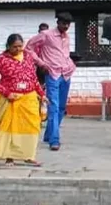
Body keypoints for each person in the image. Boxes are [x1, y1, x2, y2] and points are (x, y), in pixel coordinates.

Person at [0, 34, 46, 167]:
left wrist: (42, 94)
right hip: (10, 99)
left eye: (20, 46)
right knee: (10, 128)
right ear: (8, 46)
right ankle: (9, 157)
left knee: (32, 126)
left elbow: (33, 78)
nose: (18, 49)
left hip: (29, 97)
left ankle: (29, 156)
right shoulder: (1, 59)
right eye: (15, 47)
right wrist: (7, 93)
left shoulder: (28, 57)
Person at [25, 12, 75, 151]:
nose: (65, 26)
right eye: (63, 23)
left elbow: (64, 54)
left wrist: (71, 64)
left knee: (61, 107)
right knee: (53, 106)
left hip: (66, 73)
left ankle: (49, 134)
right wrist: (41, 63)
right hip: (52, 73)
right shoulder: (46, 35)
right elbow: (29, 48)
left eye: (68, 24)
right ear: (58, 22)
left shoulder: (67, 37)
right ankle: (54, 140)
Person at [35, 23, 50, 88]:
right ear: (39, 31)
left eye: (45, 31)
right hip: (38, 66)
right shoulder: (35, 41)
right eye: (42, 31)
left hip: (49, 65)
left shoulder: (51, 42)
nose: (43, 33)